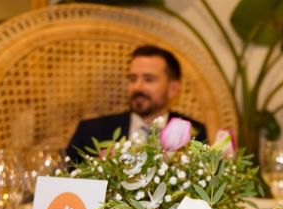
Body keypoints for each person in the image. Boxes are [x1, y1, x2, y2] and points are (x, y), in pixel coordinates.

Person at [67, 45, 207, 161]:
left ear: (173, 89)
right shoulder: (91, 132)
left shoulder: (194, 134)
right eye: (133, 79)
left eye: (148, 79)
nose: (137, 87)